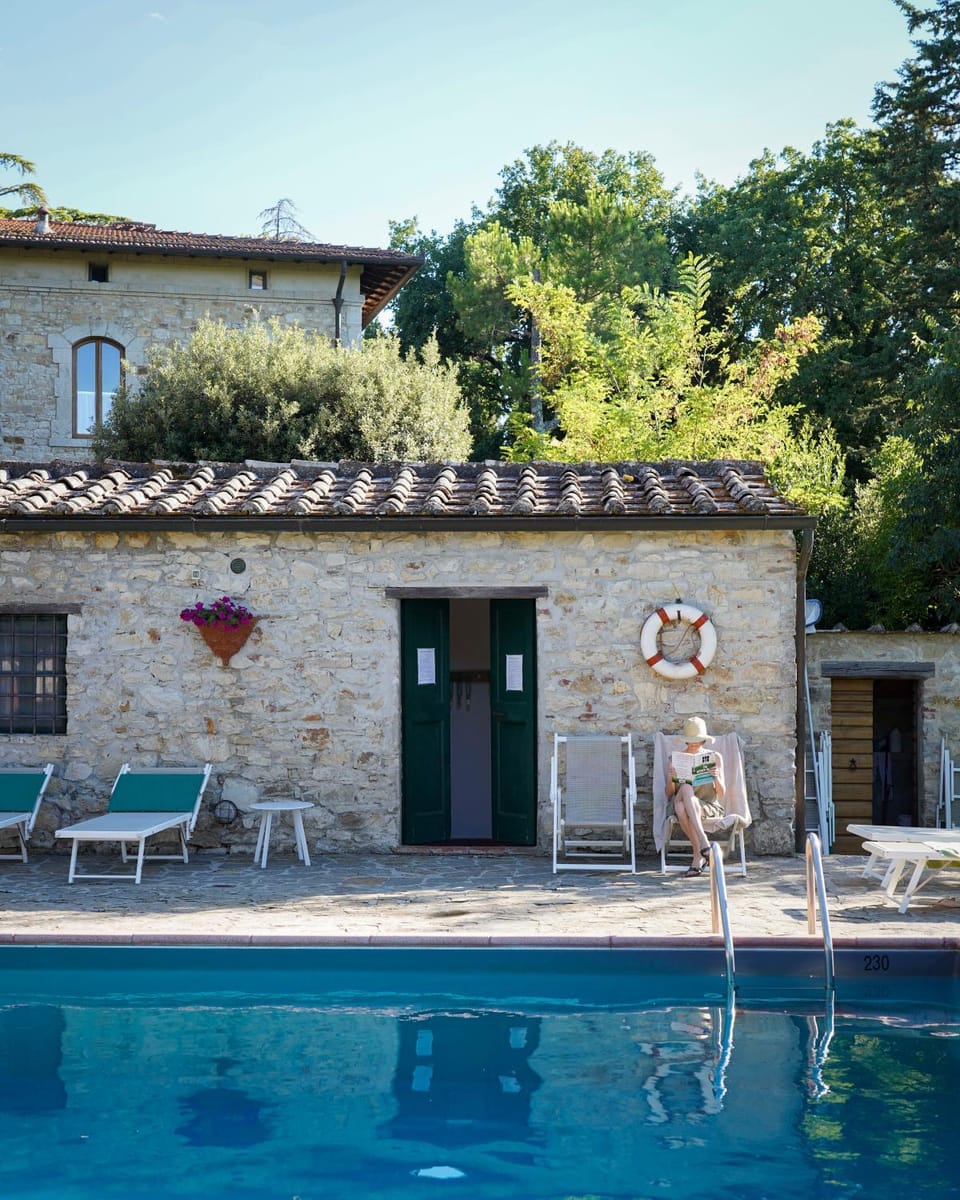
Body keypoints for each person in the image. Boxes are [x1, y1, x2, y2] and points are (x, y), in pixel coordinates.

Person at [665, 717, 725, 877]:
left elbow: (721, 793)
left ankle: (698, 856)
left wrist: (716, 777)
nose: (694, 744)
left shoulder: (715, 757)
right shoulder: (675, 759)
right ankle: (703, 841)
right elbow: (669, 794)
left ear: (704, 739)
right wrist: (671, 778)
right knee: (685, 788)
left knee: (681, 807)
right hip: (681, 799)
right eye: (691, 741)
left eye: (697, 740)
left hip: (707, 805)